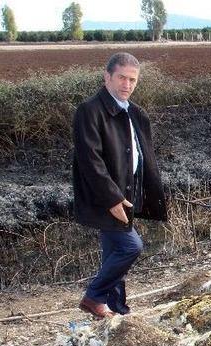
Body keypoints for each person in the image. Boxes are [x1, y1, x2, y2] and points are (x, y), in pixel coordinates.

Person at [72, 52, 167, 318]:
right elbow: (90, 160)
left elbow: (140, 154)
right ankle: (93, 297)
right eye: (121, 78)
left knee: (114, 251)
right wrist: (112, 198)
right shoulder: (89, 111)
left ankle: (116, 310)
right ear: (107, 77)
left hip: (128, 193)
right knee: (130, 246)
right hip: (106, 196)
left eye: (132, 80)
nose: (127, 84)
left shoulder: (136, 113)